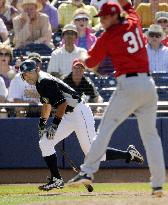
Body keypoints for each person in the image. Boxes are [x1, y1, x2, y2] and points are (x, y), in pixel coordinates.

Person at [67, 1, 166, 197]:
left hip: (128, 86)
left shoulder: (109, 36)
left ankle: (87, 172)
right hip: (147, 85)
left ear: (113, 16)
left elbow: (92, 62)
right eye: (100, 18)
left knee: (104, 129)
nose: (101, 21)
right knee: (150, 135)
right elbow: (128, 5)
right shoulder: (133, 19)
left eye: (104, 17)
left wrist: (83, 60)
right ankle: (157, 184)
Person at [19, 59, 144, 191]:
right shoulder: (39, 82)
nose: (26, 76)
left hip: (79, 112)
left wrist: (54, 125)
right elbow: (47, 104)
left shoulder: (44, 81)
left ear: (37, 70)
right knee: (45, 143)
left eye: (29, 72)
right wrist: (42, 123)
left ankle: (128, 154)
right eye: (24, 74)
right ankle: (56, 179)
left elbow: (62, 104)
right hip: (68, 115)